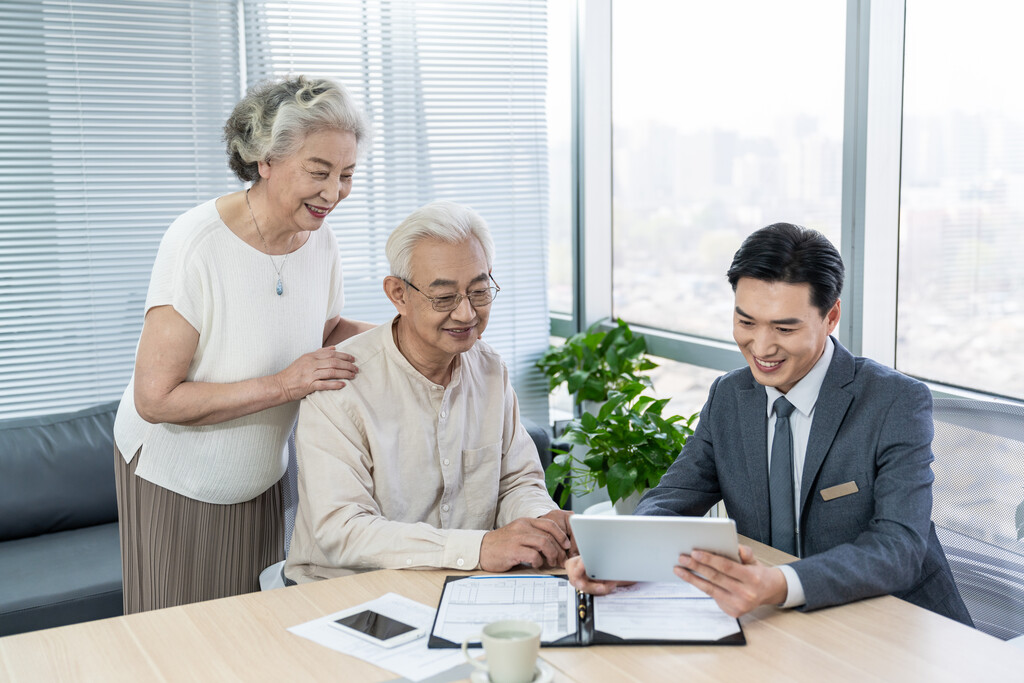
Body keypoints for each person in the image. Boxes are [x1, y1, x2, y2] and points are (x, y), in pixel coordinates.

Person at [567, 222, 972, 625]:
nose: (761, 348)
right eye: (746, 323)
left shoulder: (893, 402)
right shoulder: (730, 396)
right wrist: (622, 555)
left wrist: (780, 583)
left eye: (784, 328)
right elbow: (674, 494)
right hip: (786, 624)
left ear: (831, 317)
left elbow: (898, 548)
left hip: (897, 622)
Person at [113, 75, 375, 613]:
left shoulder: (320, 238)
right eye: (318, 172)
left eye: (347, 175)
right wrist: (285, 384)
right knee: (179, 648)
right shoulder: (196, 244)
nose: (333, 193)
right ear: (265, 160)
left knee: (252, 638)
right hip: (175, 480)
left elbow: (320, 330)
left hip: (260, 478)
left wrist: (409, 336)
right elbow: (156, 399)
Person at [285, 201, 574, 583]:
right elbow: (342, 529)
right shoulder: (340, 383)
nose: (467, 314)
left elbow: (516, 481)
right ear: (398, 294)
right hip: (347, 588)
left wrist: (542, 523)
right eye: (444, 298)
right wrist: (479, 548)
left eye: (479, 291)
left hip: (462, 582)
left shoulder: (489, 369)